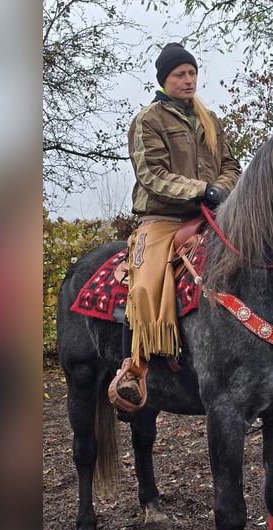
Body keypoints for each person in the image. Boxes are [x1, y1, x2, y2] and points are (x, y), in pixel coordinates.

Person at [111, 42, 241, 410]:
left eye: (192, 73)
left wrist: (221, 191)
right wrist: (202, 189)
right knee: (145, 285)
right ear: (164, 80)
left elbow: (231, 165)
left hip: (214, 214)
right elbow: (152, 174)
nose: (189, 80)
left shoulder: (209, 119)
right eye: (180, 75)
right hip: (164, 219)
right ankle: (132, 369)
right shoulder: (149, 120)